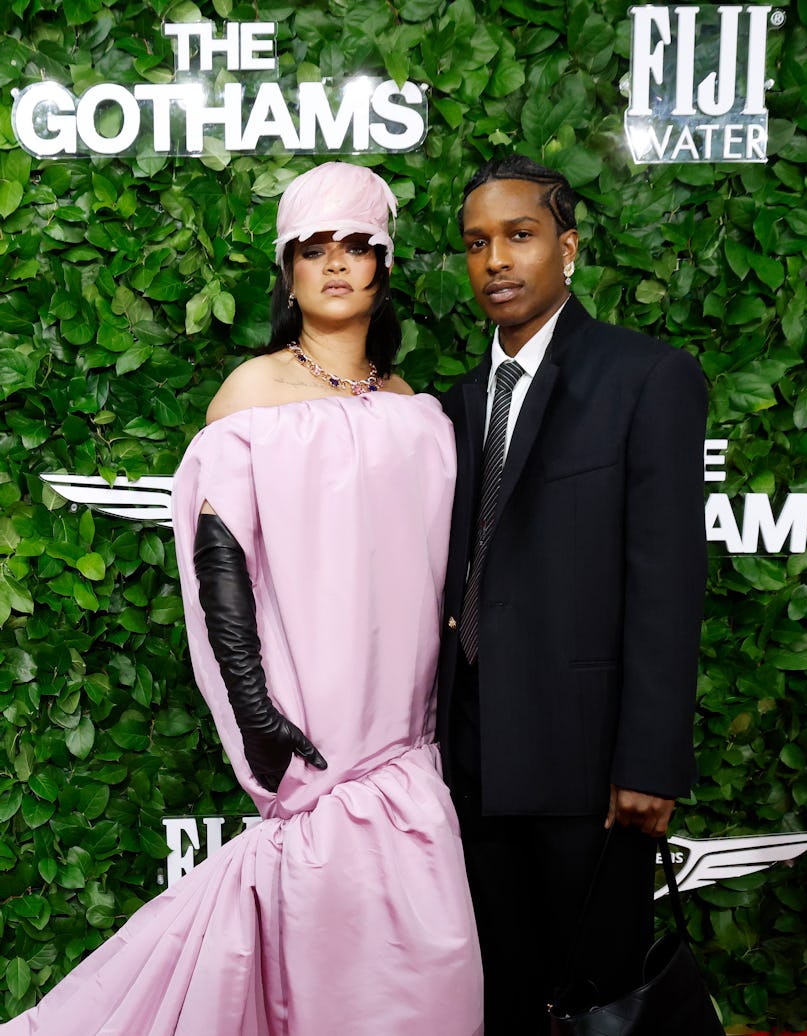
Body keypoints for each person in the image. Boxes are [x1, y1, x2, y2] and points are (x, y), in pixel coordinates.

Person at [2, 162, 482, 1035]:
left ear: (385, 265)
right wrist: (253, 705)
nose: (335, 264)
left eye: (357, 245)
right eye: (313, 248)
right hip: (317, 747)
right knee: (332, 980)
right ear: (288, 272)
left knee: (434, 977)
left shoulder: (417, 410)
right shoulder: (252, 397)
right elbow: (221, 560)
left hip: (410, 750)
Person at [436, 155, 708, 1035]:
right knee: (500, 1005)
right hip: (471, 761)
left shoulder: (645, 378)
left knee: (595, 1007)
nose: (497, 261)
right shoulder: (456, 403)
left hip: (589, 769)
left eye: (520, 235)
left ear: (570, 248)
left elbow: (668, 582)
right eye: (477, 244)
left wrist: (649, 761)